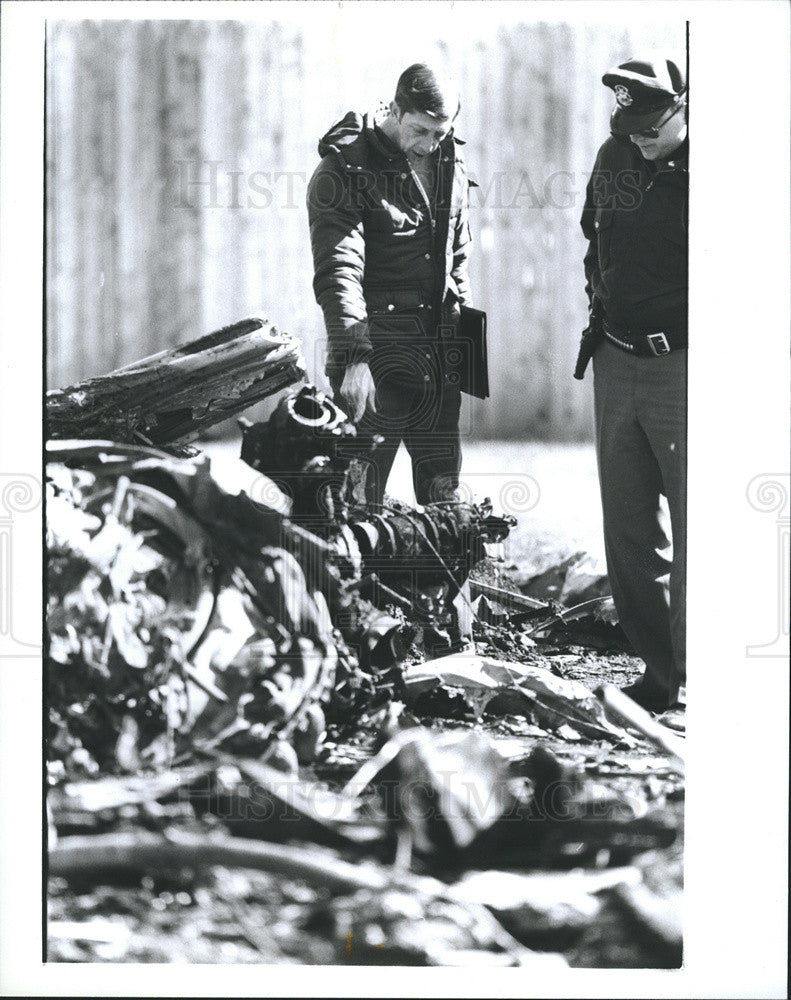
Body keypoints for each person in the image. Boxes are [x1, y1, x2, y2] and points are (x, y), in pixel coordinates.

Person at [576, 52, 688, 717]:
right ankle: (659, 674)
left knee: (699, 529)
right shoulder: (613, 156)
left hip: (686, 363)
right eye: (631, 128)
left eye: (653, 126)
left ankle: (707, 671)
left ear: (681, 108)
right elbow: (594, 244)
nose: (641, 140)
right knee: (627, 530)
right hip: (616, 361)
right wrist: (598, 308)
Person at [307, 63, 473, 506]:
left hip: (438, 358)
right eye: (421, 131)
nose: (431, 144)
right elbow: (339, 271)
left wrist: (463, 354)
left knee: (445, 506)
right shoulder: (343, 170)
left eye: (442, 133)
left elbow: (458, 260)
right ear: (395, 111)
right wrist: (354, 361)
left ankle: (444, 578)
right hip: (377, 363)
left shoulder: (447, 156)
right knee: (354, 507)